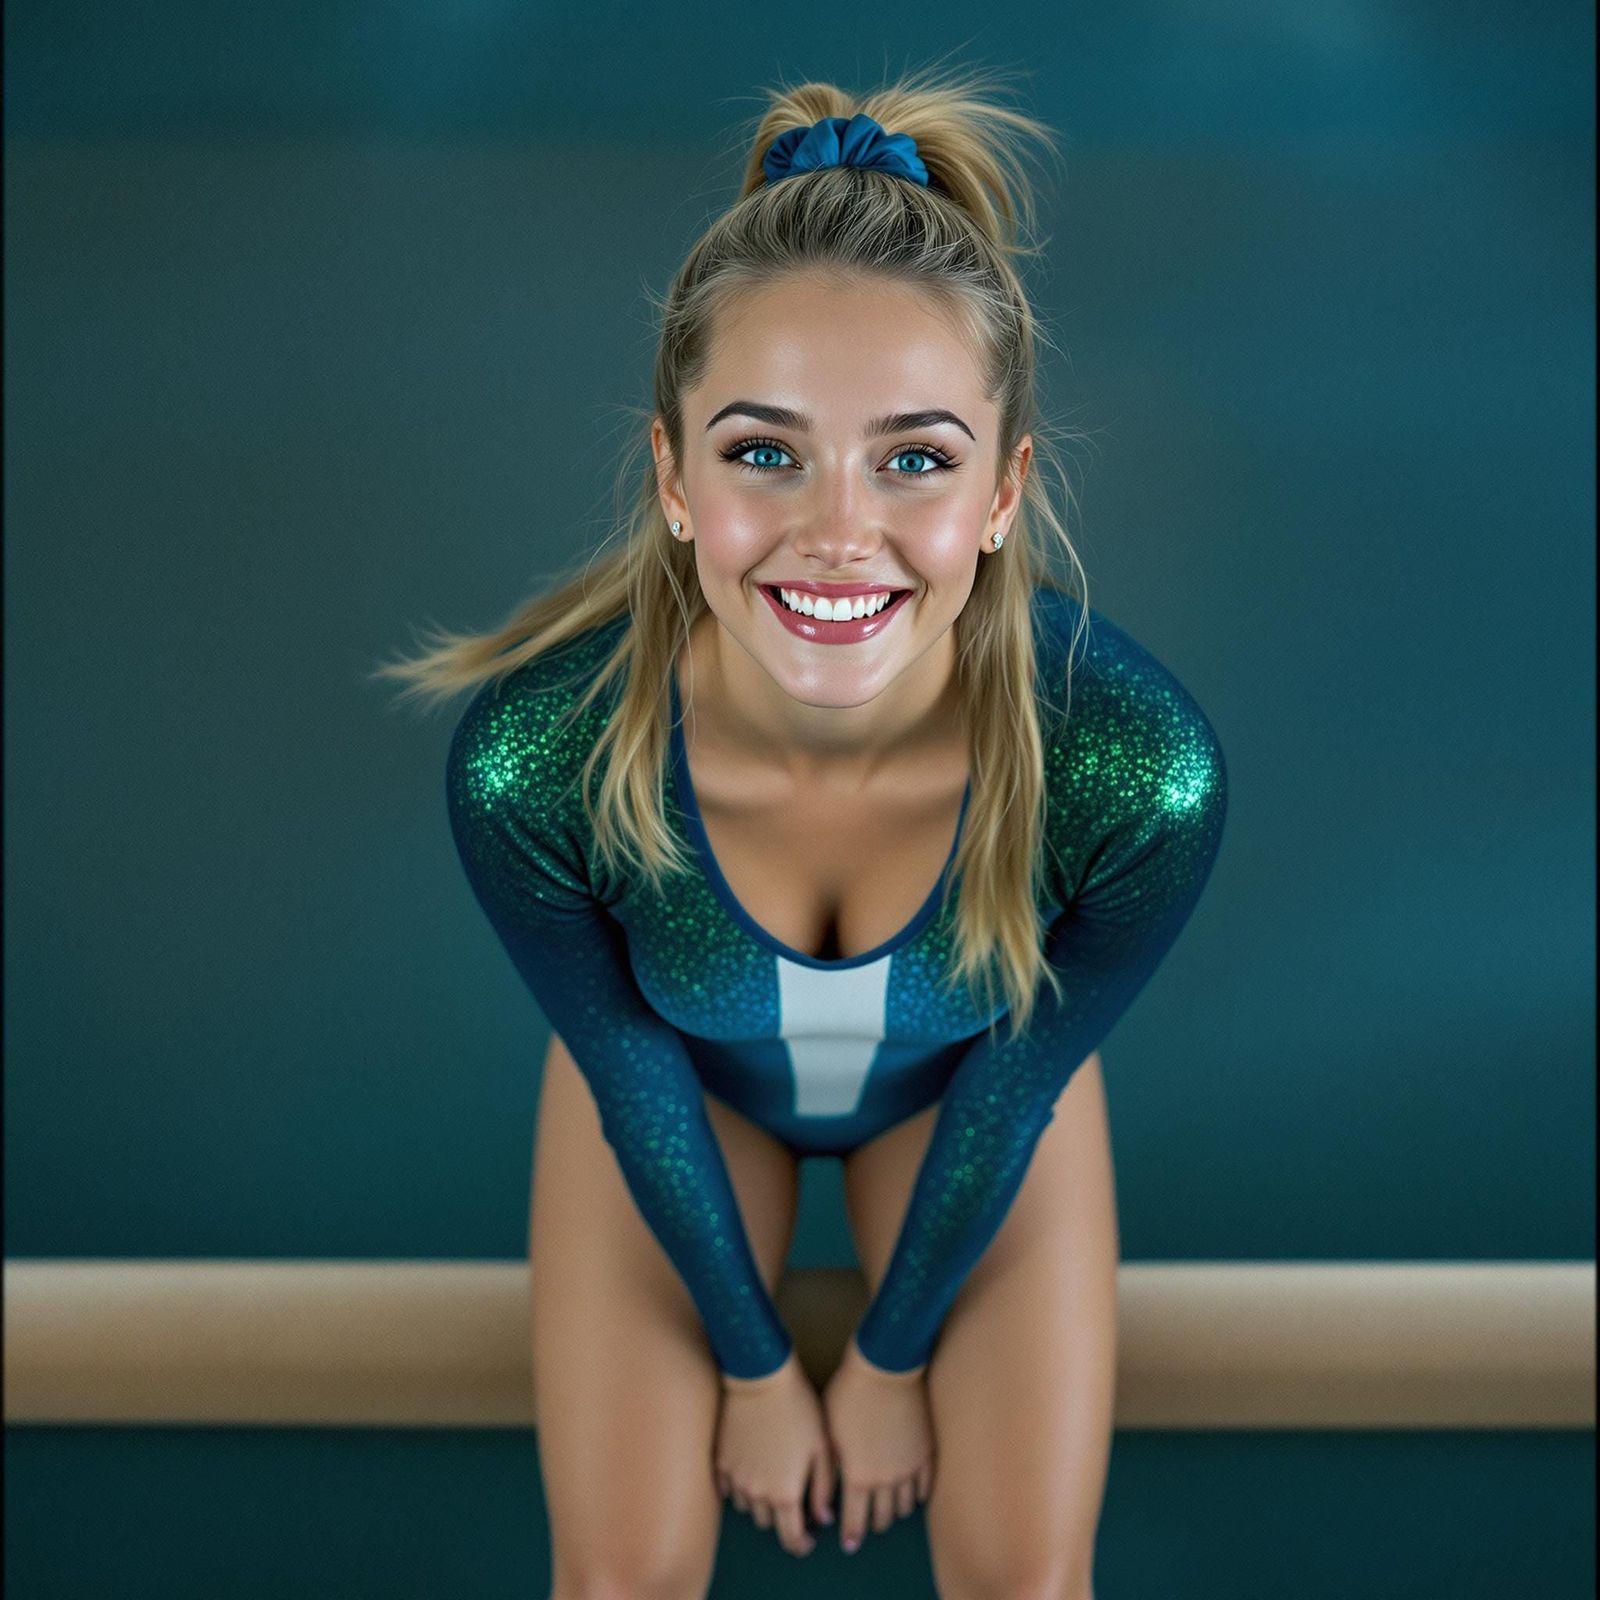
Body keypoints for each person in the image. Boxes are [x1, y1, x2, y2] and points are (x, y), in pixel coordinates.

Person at [377, 62, 1226, 1600]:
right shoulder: (541, 763)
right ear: (674, 476)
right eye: (766, 451)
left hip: (975, 1097)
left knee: (1028, 1582)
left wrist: (893, 1362)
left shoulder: (1139, 765)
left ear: (1003, 496)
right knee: (620, 1579)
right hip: (676, 1106)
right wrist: (761, 1375)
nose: (840, 532)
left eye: (916, 457)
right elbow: (631, 1065)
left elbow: (1020, 1082)